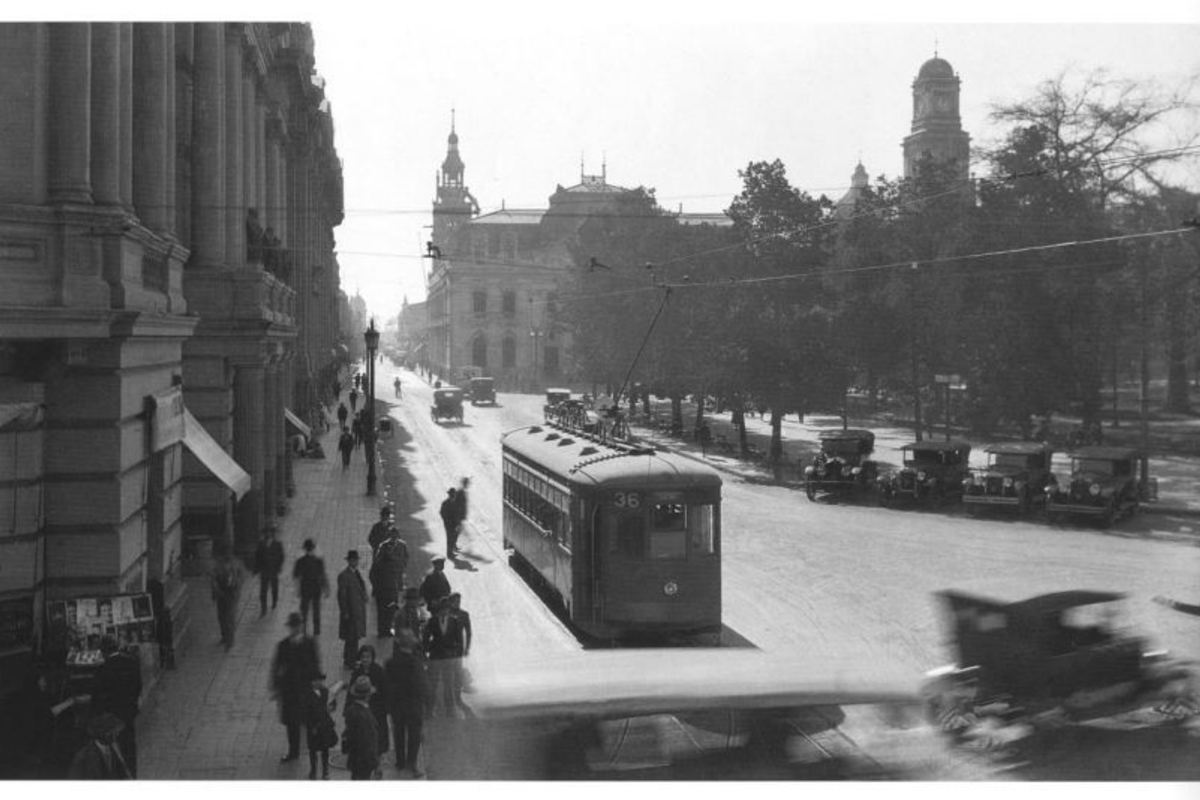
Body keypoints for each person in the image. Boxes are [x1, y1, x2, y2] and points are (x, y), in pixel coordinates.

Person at [270, 612, 321, 762]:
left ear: (301, 626)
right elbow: (277, 666)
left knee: (307, 720)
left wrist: (316, 680)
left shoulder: (309, 643)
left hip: (305, 688)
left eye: (297, 626)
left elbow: (315, 662)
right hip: (289, 690)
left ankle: (312, 749)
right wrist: (276, 686)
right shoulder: (283, 645)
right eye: (292, 626)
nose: (294, 629)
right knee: (291, 722)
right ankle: (294, 751)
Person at [91, 637, 142, 777]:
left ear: (103, 651)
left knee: (115, 747)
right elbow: (138, 686)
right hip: (129, 711)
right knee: (129, 745)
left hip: (113, 714)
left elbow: (98, 696)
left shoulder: (103, 669)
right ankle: (132, 773)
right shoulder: (132, 662)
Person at [384, 629, 431, 777]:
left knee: (398, 734)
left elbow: (386, 685)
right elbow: (421, 685)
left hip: (397, 706)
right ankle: (412, 765)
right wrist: (428, 703)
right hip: (413, 705)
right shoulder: (415, 663)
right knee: (414, 735)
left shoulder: (390, 662)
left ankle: (400, 762)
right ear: (411, 644)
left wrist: (390, 704)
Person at [422, 597, 468, 717]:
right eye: (442, 610)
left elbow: (459, 639)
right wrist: (425, 651)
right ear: (439, 610)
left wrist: (457, 653)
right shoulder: (432, 621)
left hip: (448, 656)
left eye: (446, 609)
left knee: (449, 683)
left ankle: (450, 709)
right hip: (436, 655)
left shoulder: (454, 621)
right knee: (433, 683)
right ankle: (430, 709)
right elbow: (426, 637)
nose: (444, 612)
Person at [350, 645, 390, 759]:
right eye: (363, 657)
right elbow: (351, 693)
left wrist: (385, 708)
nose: (365, 660)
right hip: (361, 711)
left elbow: (385, 690)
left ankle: (377, 759)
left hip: (377, 710)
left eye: (368, 657)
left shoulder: (379, 671)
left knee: (378, 736)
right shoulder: (357, 672)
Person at [68, 712, 131, 779]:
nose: (117, 735)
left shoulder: (115, 750)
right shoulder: (83, 756)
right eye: (114, 732)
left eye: (117, 732)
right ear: (103, 733)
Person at [369, 529, 409, 637]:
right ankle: (382, 630)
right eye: (392, 535)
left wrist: (401, 568)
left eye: (396, 536)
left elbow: (406, 558)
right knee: (383, 611)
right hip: (384, 590)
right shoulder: (383, 548)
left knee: (391, 610)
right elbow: (372, 575)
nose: (394, 537)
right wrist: (376, 587)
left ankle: (387, 629)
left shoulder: (402, 546)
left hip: (393, 587)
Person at [342, 676, 379, 780]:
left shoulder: (351, 710)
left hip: (354, 758)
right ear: (367, 696)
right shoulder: (364, 716)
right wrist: (375, 762)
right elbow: (368, 741)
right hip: (365, 761)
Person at [337, 550, 369, 669]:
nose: (355, 562)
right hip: (351, 612)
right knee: (352, 638)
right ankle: (351, 661)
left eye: (356, 560)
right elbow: (342, 596)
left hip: (358, 611)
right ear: (349, 561)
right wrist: (345, 611)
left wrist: (365, 596)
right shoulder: (344, 576)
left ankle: (348, 658)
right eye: (353, 560)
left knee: (353, 637)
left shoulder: (356, 573)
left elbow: (361, 588)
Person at [210, 542, 243, 651]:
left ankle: (230, 640)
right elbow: (213, 578)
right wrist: (216, 590)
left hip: (231, 594)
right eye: (225, 553)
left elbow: (241, 578)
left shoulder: (236, 563)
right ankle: (224, 636)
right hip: (221, 593)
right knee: (221, 617)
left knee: (230, 617)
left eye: (229, 552)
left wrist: (235, 585)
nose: (227, 555)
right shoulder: (219, 564)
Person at [304, 672, 337, 780]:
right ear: (312, 682)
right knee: (313, 750)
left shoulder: (325, 691)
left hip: (325, 727)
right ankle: (313, 771)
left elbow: (332, 703)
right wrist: (311, 725)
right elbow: (305, 714)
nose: (320, 682)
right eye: (317, 680)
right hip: (313, 728)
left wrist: (331, 707)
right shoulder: (307, 695)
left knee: (325, 750)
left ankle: (325, 770)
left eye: (321, 680)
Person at [293, 539, 330, 636]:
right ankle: (316, 630)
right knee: (316, 609)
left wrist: (297, 590)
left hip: (305, 588)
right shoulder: (318, 561)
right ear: (313, 549)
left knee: (304, 610)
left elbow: (296, 575)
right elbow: (322, 575)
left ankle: (304, 628)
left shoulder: (300, 561)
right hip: (316, 588)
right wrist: (326, 588)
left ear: (305, 549)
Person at [253, 527, 285, 616]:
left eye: (269, 532)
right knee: (263, 590)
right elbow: (257, 557)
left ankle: (274, 601)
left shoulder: (278, 544)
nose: (267, 534)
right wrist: (256, 569)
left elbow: (281, 556)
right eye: (266, 533)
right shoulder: (261, 544)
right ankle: (264, 608)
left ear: (272, 534)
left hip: (273, 570)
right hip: (264, 570)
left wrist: (278, 567)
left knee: (274, 588)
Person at [451, 477, 470, 552]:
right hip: (457, 516)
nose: (467, 485)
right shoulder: (460, 492)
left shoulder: (462, 491)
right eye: (467, 483)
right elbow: (457, 504)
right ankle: (452, 545)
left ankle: (453, 545)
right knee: (456, 531)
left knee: (458, 531)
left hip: (459, 516)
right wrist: (458, 516)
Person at [439, 488, 459, 559]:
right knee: (450, 538)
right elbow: (441, 513)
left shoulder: (455, 503)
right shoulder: (445, 503)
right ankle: (449, 554)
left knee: (454, 537)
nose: (454, 496)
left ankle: (451, 551)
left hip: (454, 524)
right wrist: (446, 520)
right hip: (448, 524)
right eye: (452, 495)